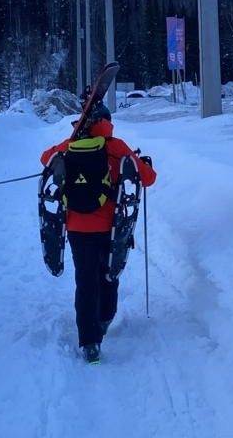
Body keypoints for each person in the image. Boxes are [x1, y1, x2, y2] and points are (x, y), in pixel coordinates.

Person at [40, 101, 156, 363]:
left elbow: (45, 158)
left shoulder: (69, 147)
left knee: (85, 280)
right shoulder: (116, 147)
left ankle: (89, 342)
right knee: (109, 273)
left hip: (77, 227)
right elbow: (148, 178)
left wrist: (71, 141)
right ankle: (104, 318)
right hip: (111, 227)